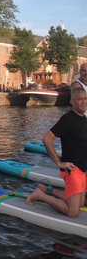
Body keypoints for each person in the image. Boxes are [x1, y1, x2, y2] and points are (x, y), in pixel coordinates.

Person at [26, 86, 87, 217]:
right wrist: (59, 163)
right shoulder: (68, 119)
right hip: (72, 169)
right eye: (80, 99)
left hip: (83, 169)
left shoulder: (84, 119)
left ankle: (47, 189)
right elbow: (47, 139)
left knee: (81, 203)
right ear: (72, 101)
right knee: (73, 212)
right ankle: (40, 196)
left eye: (85, 99)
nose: (83, 102)